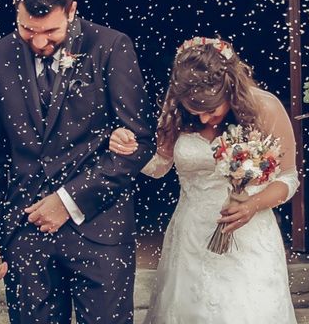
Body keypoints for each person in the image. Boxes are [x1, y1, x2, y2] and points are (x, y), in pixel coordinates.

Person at [0, 0, 154, 324]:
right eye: (28, 29)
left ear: (72, 12)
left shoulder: (111, 47)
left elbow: (140, 143)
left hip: (100, 233)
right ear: (16, 8)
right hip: (26, 231)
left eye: (51, 31)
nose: (39, 42)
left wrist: (68, 201)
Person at [110, 37, 299, 324]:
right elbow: (159, 166)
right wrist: (129, 148)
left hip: (248, 236)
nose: (205, 119)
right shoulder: (176, 112)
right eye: (196, 112)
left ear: (230, 88)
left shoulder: (265, 108)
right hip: (190, 238)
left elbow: (288, 177)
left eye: (212, 110)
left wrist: (252, 205)